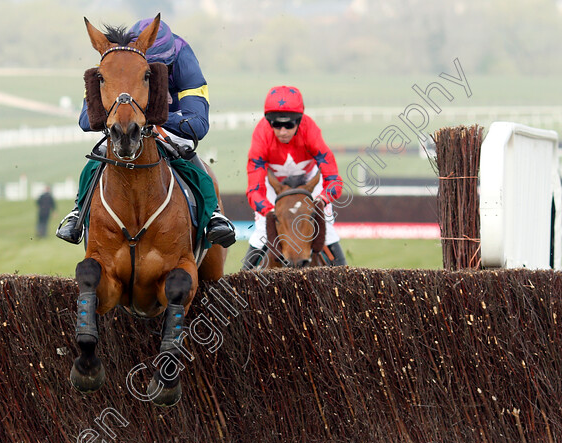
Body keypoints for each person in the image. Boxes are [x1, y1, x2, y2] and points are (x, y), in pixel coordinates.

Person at [56, 17, 236, 248]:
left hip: (169, 120)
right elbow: (84, 121)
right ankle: (78, 212)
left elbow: (198, 125)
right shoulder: (118, 59)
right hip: (128, 119)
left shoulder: (185, 60)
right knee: (101, 150)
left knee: (186, 150)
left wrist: (156, 115)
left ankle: (214, 215)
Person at [243, 86, 347, 268]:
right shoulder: (261, 135)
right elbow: (254, 190)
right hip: (274, 182)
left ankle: (344, 280)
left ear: (299, 122)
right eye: (276, 124)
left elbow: (334, 180)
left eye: (289, 125)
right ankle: (241, 285)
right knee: (261, 231)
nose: (283, 131)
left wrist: (322, 199)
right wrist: (269, 212)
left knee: (327, 228)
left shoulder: (311, 131)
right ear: (269, 122)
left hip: (309, 179)